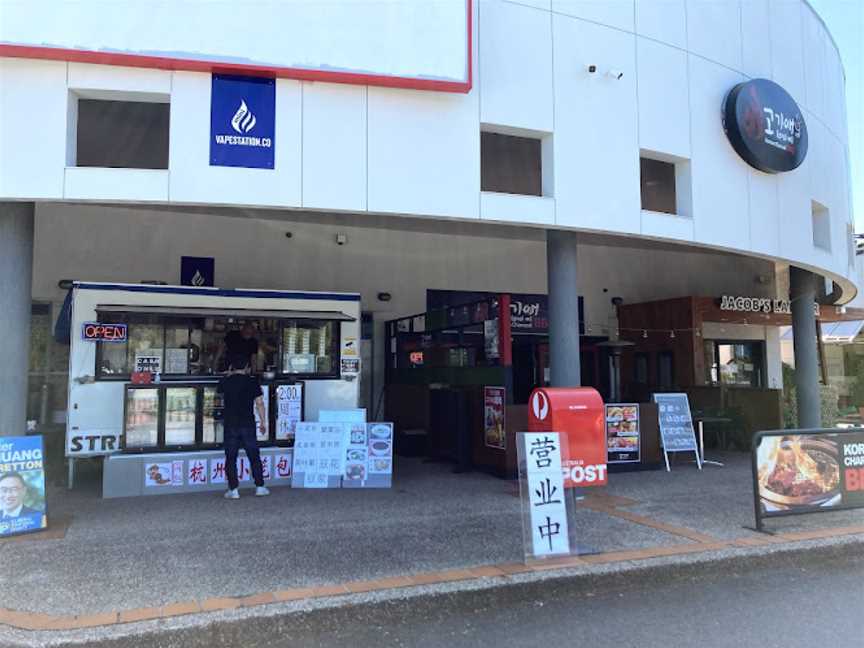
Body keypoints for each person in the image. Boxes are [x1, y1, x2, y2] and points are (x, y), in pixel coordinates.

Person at [217, 352, 269, 499]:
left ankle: (233, 490)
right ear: (247, 367)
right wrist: (263, 422)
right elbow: (259, 403)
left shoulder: (225, 382)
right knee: (254, 455)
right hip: (248, 424)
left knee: (231, 457)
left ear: (231, 366)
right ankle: (260, 487)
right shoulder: (252, 381)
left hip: (230, 424)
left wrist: (228, 374)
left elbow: (219, 399)